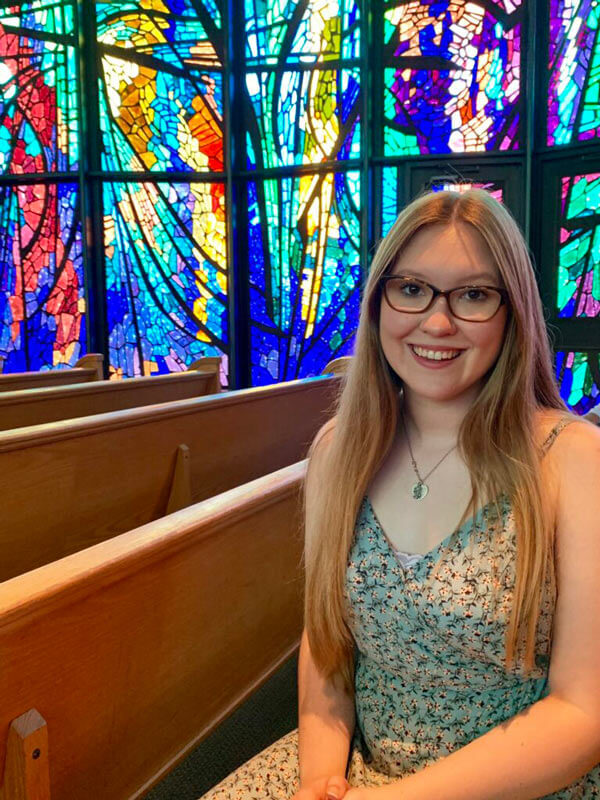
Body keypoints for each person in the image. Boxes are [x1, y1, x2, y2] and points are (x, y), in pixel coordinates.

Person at [201, 190, 600, 799]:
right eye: (411, 288)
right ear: (378, 302)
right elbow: (326, 646)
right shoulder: (340, 450)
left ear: (512, 312)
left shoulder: (573, 459)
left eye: (473, 295)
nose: (436, 323)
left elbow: (582, 712)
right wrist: (321, 780)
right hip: (358, 771)